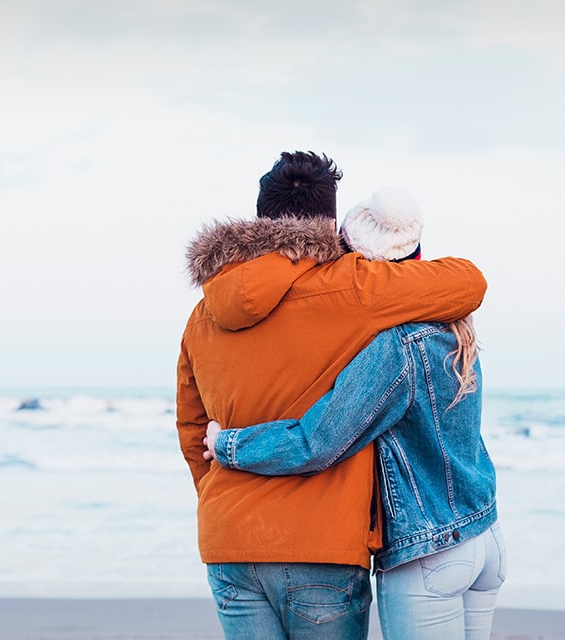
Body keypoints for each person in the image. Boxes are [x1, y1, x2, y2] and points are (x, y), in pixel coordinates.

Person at [176, 152, 488, 639]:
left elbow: (193, 431)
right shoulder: (354, 286)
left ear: (260, 215)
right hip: (321, 543)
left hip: (228, 538)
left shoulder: (203, 313)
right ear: (331, 222)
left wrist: (225, 500)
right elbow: (468, 283)